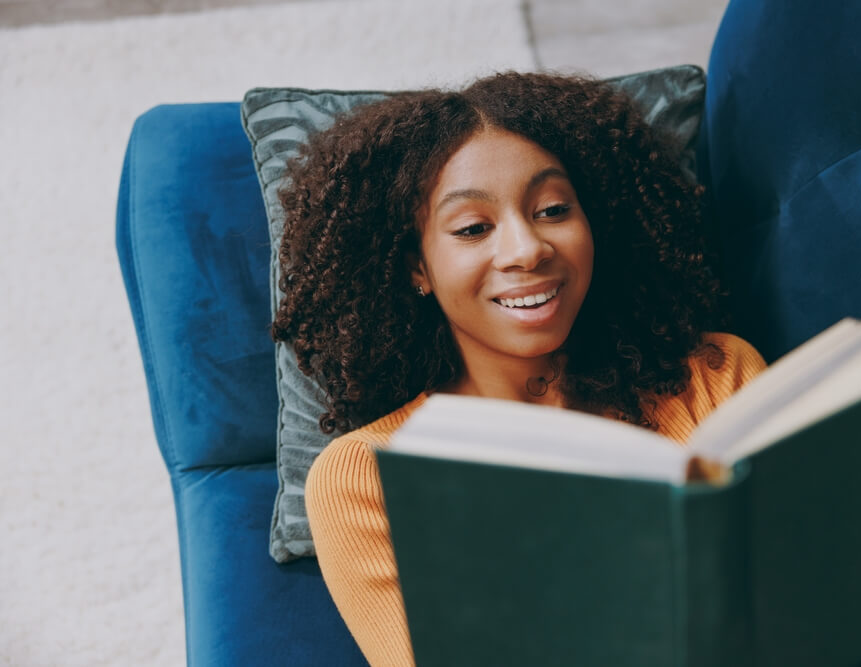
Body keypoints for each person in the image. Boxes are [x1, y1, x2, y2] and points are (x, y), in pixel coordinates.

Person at [272, 71, 767, 667]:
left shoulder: (716, 375)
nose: (527, 249)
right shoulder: (365, 479)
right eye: (474, 228)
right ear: (417, 268)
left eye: (553, 209)